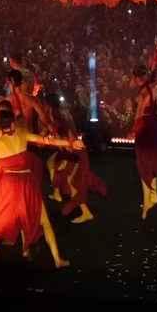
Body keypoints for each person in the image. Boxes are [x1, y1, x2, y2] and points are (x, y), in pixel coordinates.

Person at [0, 108, 81, 267]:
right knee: (44, 221)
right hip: (27, 183)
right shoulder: (22, 136)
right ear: (13, 124)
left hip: (8, 185)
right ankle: (57, 260)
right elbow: (48, 141)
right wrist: (71, 142)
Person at [46, 93, 107, 224]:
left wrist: (64, 159)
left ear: (47, 105)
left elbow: (63, 138)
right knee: (51, 163)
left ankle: (86, 212)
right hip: (71, 149)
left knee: (70, 180)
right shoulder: (60, 113)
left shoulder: (57, 116)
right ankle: (56, 192)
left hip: (74, 151)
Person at [129, 39, 157, 219]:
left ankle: (148, 200)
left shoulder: (143, 94)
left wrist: (132, 134)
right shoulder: (153, 83)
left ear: (136, 79)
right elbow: (156, 67)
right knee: (151, 163)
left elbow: (137, 117)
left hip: (146, 129)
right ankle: (153, 195)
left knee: (144, 165)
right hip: (155, 125)